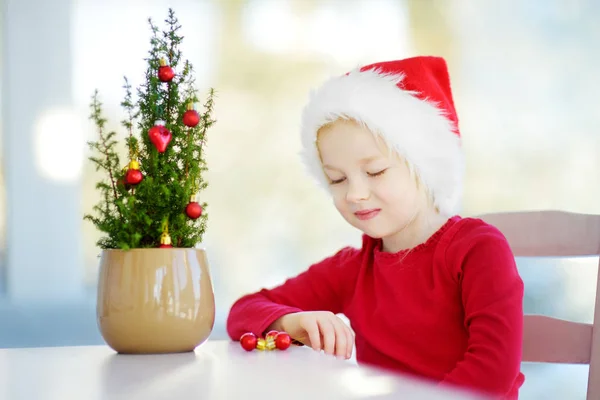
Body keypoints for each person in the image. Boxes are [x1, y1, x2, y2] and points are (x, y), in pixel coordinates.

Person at [226, 56, 525, 399]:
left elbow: (492, 375)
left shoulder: (477, 250)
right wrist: (293, 323)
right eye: (336, 179)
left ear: (422, 164)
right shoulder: (352, 269)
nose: (354, 194)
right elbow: (243, 313)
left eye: (376, 171)